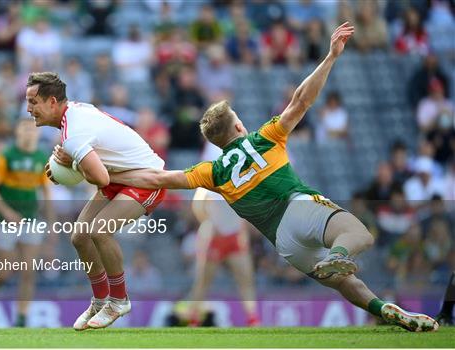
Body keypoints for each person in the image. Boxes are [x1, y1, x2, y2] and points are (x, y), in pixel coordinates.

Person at [108, 22, 439, 332]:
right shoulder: (264, 138)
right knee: (359, 235)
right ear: (238, 126)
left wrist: (108, 170)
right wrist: (330, 57)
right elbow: (301, 100)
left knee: (343, 283)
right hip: (298, 208)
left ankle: (382, 309)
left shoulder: (212, 172)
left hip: (284, 243)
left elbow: (157, 179)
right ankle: (339, 254)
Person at [25, 72, 166, 330]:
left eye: (33, 102)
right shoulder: (74, 113)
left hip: (147, 178)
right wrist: (70, 163)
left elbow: (100, 177)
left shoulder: (72, 133)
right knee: (80, 236)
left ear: (53, 101)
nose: (28, 109)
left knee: (100, 230)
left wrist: (73, 162)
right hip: (121, 177)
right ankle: (100, 301)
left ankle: (118, 300)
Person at [0, 119, 54, 327]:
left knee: (29, 269)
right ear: (17, 133)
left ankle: (21, 318)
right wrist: (7, 212)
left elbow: (46, 192)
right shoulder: (6, 157)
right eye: (24, 128)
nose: (29, 132)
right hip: (3, 221)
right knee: (3, 273)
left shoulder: (41, 158)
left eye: (32, 129)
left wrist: (52, 223)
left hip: (31, 219)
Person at [186, 142, 259, 327]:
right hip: (216, 235)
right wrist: (209, 224)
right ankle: (193, 317)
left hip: (232, 234)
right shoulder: (210, 179)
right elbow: (198, 206)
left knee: (245, 279)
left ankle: (253, 318)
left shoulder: (238, 180)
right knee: (203, 281)